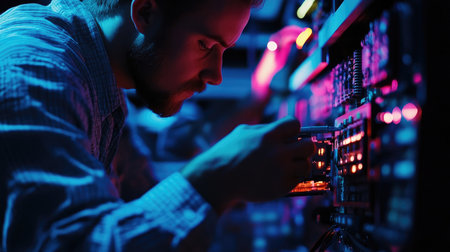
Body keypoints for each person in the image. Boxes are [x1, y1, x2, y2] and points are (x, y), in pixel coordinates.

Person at [0, 0, 316, 251]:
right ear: (146, 13)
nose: (215, 76)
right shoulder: (35, 71)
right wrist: (214, 180)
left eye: (223, 52)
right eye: (206, 45)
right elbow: (76, 244)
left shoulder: (101, 82)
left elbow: (144, 187)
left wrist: (237, 170)